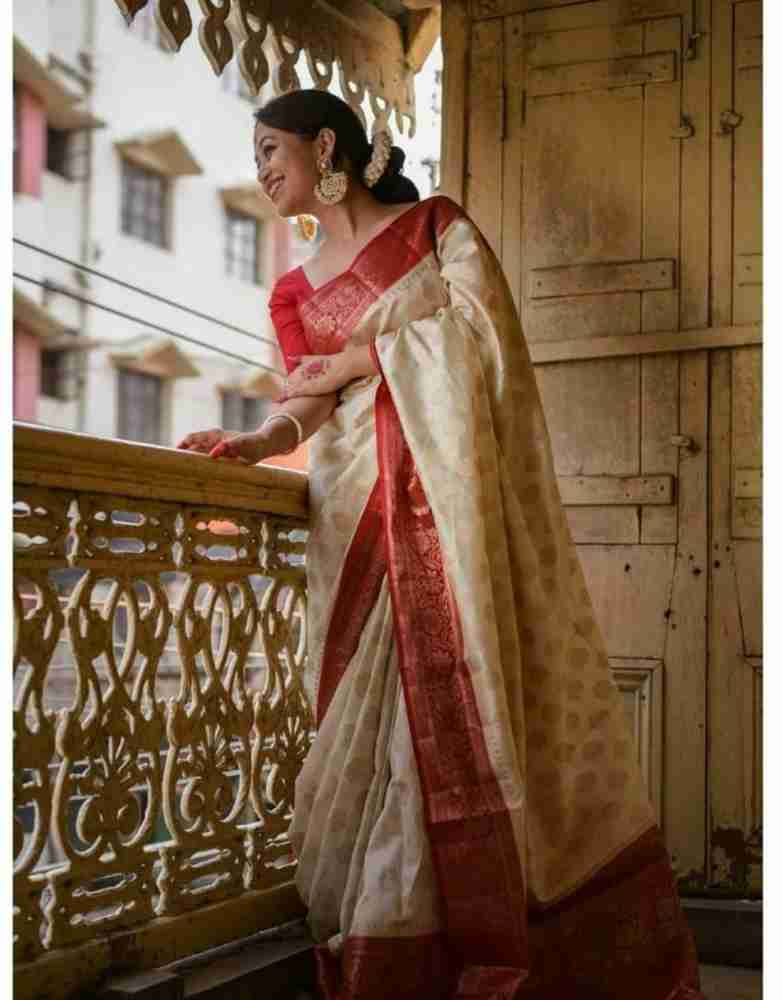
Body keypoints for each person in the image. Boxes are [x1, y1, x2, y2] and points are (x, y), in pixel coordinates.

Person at [177, 89, 704, 1000]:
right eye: (255, 155)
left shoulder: (432, 230)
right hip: (354, 512)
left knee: (460, 705)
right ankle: (390, 930)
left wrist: (362, 360)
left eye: (270, 150)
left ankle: (477, 933)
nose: (260, 171)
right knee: (376, 724)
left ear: (325, 145)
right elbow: (306, 396)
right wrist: (261, 442)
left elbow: (485, 340)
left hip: (448, 509)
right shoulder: (294, 288)